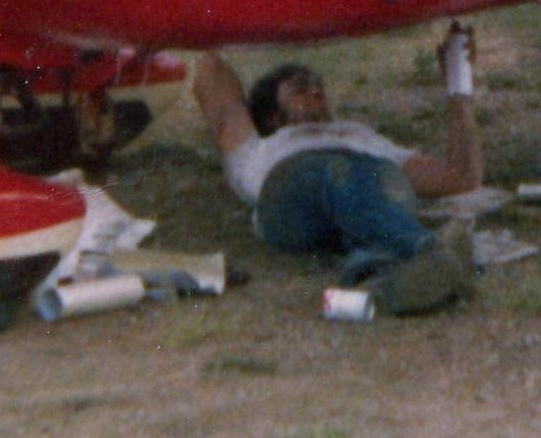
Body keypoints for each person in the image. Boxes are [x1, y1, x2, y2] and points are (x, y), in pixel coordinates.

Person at [190, 24, 483, 315]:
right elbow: (210, 69)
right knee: (337, 171)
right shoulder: (259, 146)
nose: (315, 90)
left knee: (370, 175)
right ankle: (426, 251)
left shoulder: (362, 137)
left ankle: (385, 284)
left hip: (365, 188)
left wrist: (458, 85)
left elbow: (461, 176)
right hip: (292, 201)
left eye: (318, 85)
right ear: (271, 117)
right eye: (300, 87)